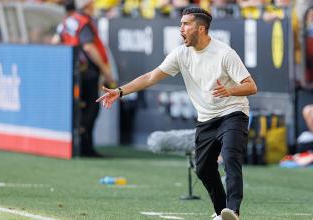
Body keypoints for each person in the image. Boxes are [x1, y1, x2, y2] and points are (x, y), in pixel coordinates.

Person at [97, 7, 257, 220]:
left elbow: (251, 86)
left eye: (185, 24)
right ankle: (222, 213)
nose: (180, 28)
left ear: (200, 28)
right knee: (203, 169)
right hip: (206, 118)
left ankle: (234, 211)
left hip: (233, 112)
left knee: (230, 157)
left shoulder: (225, 53)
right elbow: (150, 77)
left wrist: (230, 90)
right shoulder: (181, 53)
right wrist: (119, 91)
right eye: (180, 23)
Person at [59, 0, 115, 157]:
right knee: (91, 107)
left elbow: (56, 41)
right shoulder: (83, 21)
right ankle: (85, 145)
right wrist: (106, 70)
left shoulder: (68, 21)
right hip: (86, 71)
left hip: (72, 69)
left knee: (79, 107)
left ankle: (77, 145)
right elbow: (89, 47)